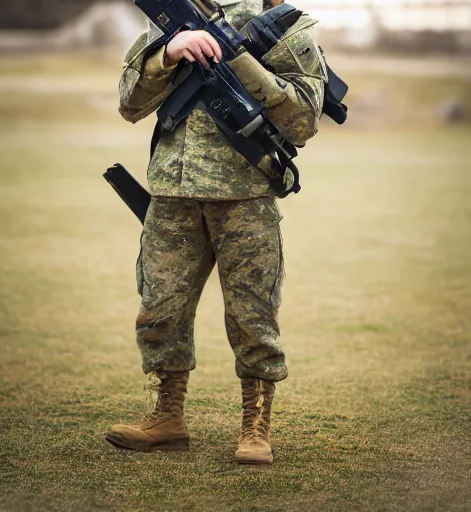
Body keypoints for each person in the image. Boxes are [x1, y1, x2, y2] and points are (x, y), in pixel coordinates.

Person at [106, 0, 326, 464]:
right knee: (159, 309)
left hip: (245, 195)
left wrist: (236, 57)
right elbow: (129, 103)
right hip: (173, 193)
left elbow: (303, 121)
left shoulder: (284, 25)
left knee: (253, 317)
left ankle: (255, 428)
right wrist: (169, 53)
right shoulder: (173, 19)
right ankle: (166, 418)